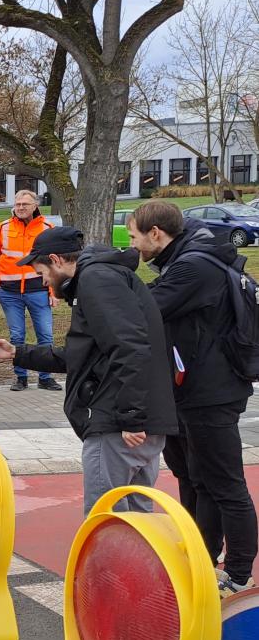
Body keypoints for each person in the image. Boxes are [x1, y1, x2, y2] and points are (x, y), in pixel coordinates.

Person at [0, 227, 177, 514]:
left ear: (56, 260)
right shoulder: (105, 277)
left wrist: (131, 418)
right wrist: (18, 353)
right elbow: (82, 355)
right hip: (136, 416)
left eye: (41, 271)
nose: (43, 280)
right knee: (137, 521)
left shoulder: (96, 281)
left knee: (104, 519)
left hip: (118, 422)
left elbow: (131, 347)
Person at [127, 201, 258, 596]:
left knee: (224, 484)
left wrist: (98, 284)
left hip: (210, 393)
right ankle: (202, 555)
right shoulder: (184, 259)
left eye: (134, 237)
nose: (132, 246)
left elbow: (143, 308)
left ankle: (237, 575)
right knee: (193, 478)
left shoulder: (193, 266)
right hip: (190, 390)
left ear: (156, 234)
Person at [0, 190, 61, 392]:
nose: (20, 208)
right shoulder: (1, 229)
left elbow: (56, 263)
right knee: (17, 336)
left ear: (35, 205)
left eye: (25, 204)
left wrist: (53, 291)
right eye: (17, 204)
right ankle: (21, 377)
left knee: (45, 335)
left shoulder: (47, 229)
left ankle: (45, 377)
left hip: (38, 291)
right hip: (9, 292)